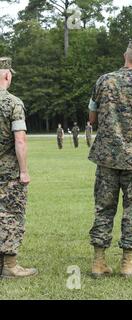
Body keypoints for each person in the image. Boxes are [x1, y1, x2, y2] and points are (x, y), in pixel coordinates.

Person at [87, 40, 132, 278]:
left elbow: (92, 118)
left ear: (124, 56)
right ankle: (127, 263)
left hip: (106, 157)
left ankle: (99, 262)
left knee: (104, 208)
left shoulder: (103, 81)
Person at [0, 57, 38, 278]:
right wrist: (23, 171)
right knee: (11, 214)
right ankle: (11, 265)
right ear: (7, 75)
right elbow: (20, 140)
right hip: (8, 172)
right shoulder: (13, 103)